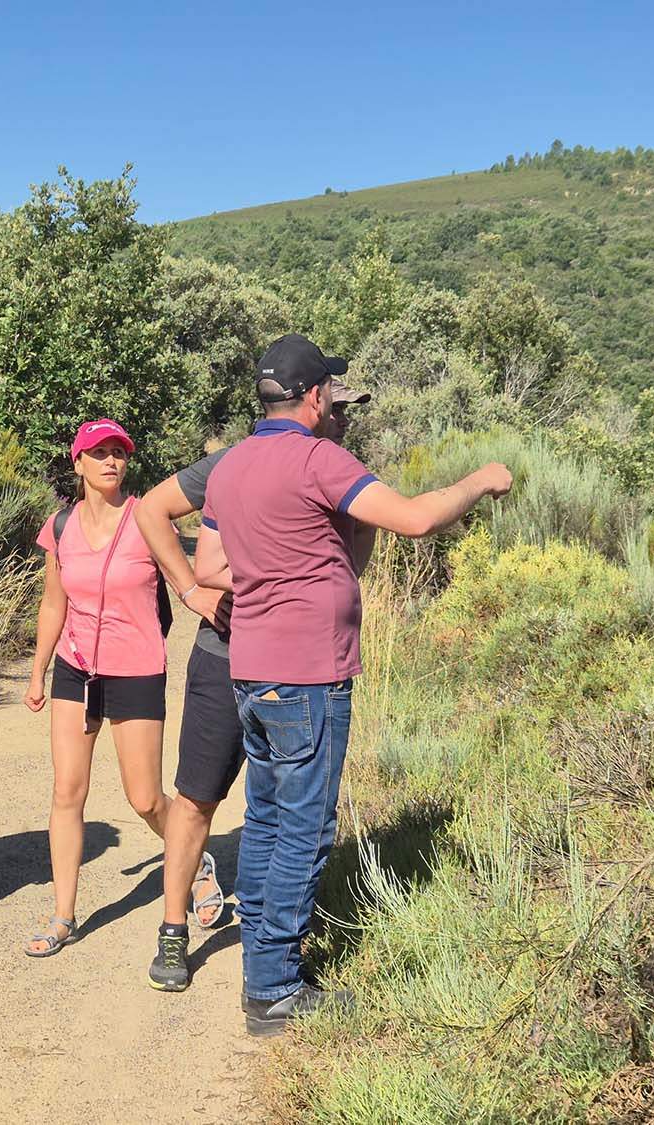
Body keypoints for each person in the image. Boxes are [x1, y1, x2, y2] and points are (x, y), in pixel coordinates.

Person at [196, 334, 511, 1035]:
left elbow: (210, 565)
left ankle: (264, 965)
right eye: (330, 392)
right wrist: (483, 478)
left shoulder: (230, 466)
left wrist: (286, 559)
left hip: (250, 666)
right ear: (315, 396)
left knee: (269, 819)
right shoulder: (318, 457)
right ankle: (274, 986)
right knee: (305, 827)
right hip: (308, 673)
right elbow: (419, 518)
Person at [133, 381, 373, 993]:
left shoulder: (342, 476)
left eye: (350, 411)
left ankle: (265, 951)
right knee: (197, 797)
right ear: (310, 402)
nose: (342, 420)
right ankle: (173, 931)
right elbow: (151, 509)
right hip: (226, 656)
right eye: (336, 407)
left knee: (268, 809)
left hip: (290, 664)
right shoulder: (233, 461)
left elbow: (346, 569)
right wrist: (192, 591)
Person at [22, 419, 171, 956]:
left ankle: (192, 854)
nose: (111, 461)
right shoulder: (59, 527)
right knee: (67, 791)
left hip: (136, 667)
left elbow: (185, 578)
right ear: (78, 461)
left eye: (119, 453)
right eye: (99, 452)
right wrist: (38, 669)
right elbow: (53, 602)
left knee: (145, 798)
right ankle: (64, 914)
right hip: (75, 669)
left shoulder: (148, 520)